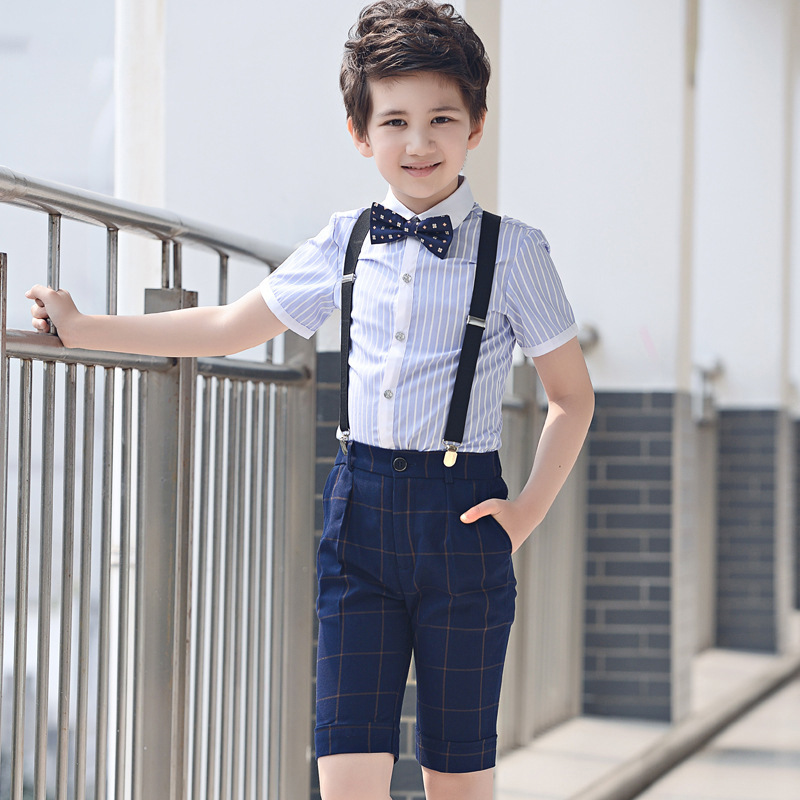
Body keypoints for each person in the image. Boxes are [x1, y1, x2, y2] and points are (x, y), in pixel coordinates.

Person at [27, 2, 594, 798]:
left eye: (441, 118)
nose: (419, 141)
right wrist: (87, 327)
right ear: (362, 134)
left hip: (463, 520)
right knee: (346, 773)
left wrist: (525, 514)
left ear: (477, 125)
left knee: (456, 774)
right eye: (394, 120)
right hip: (358, 518)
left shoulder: (515, 252)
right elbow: (230, 325)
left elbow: (572, 397)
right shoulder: (345, 240)